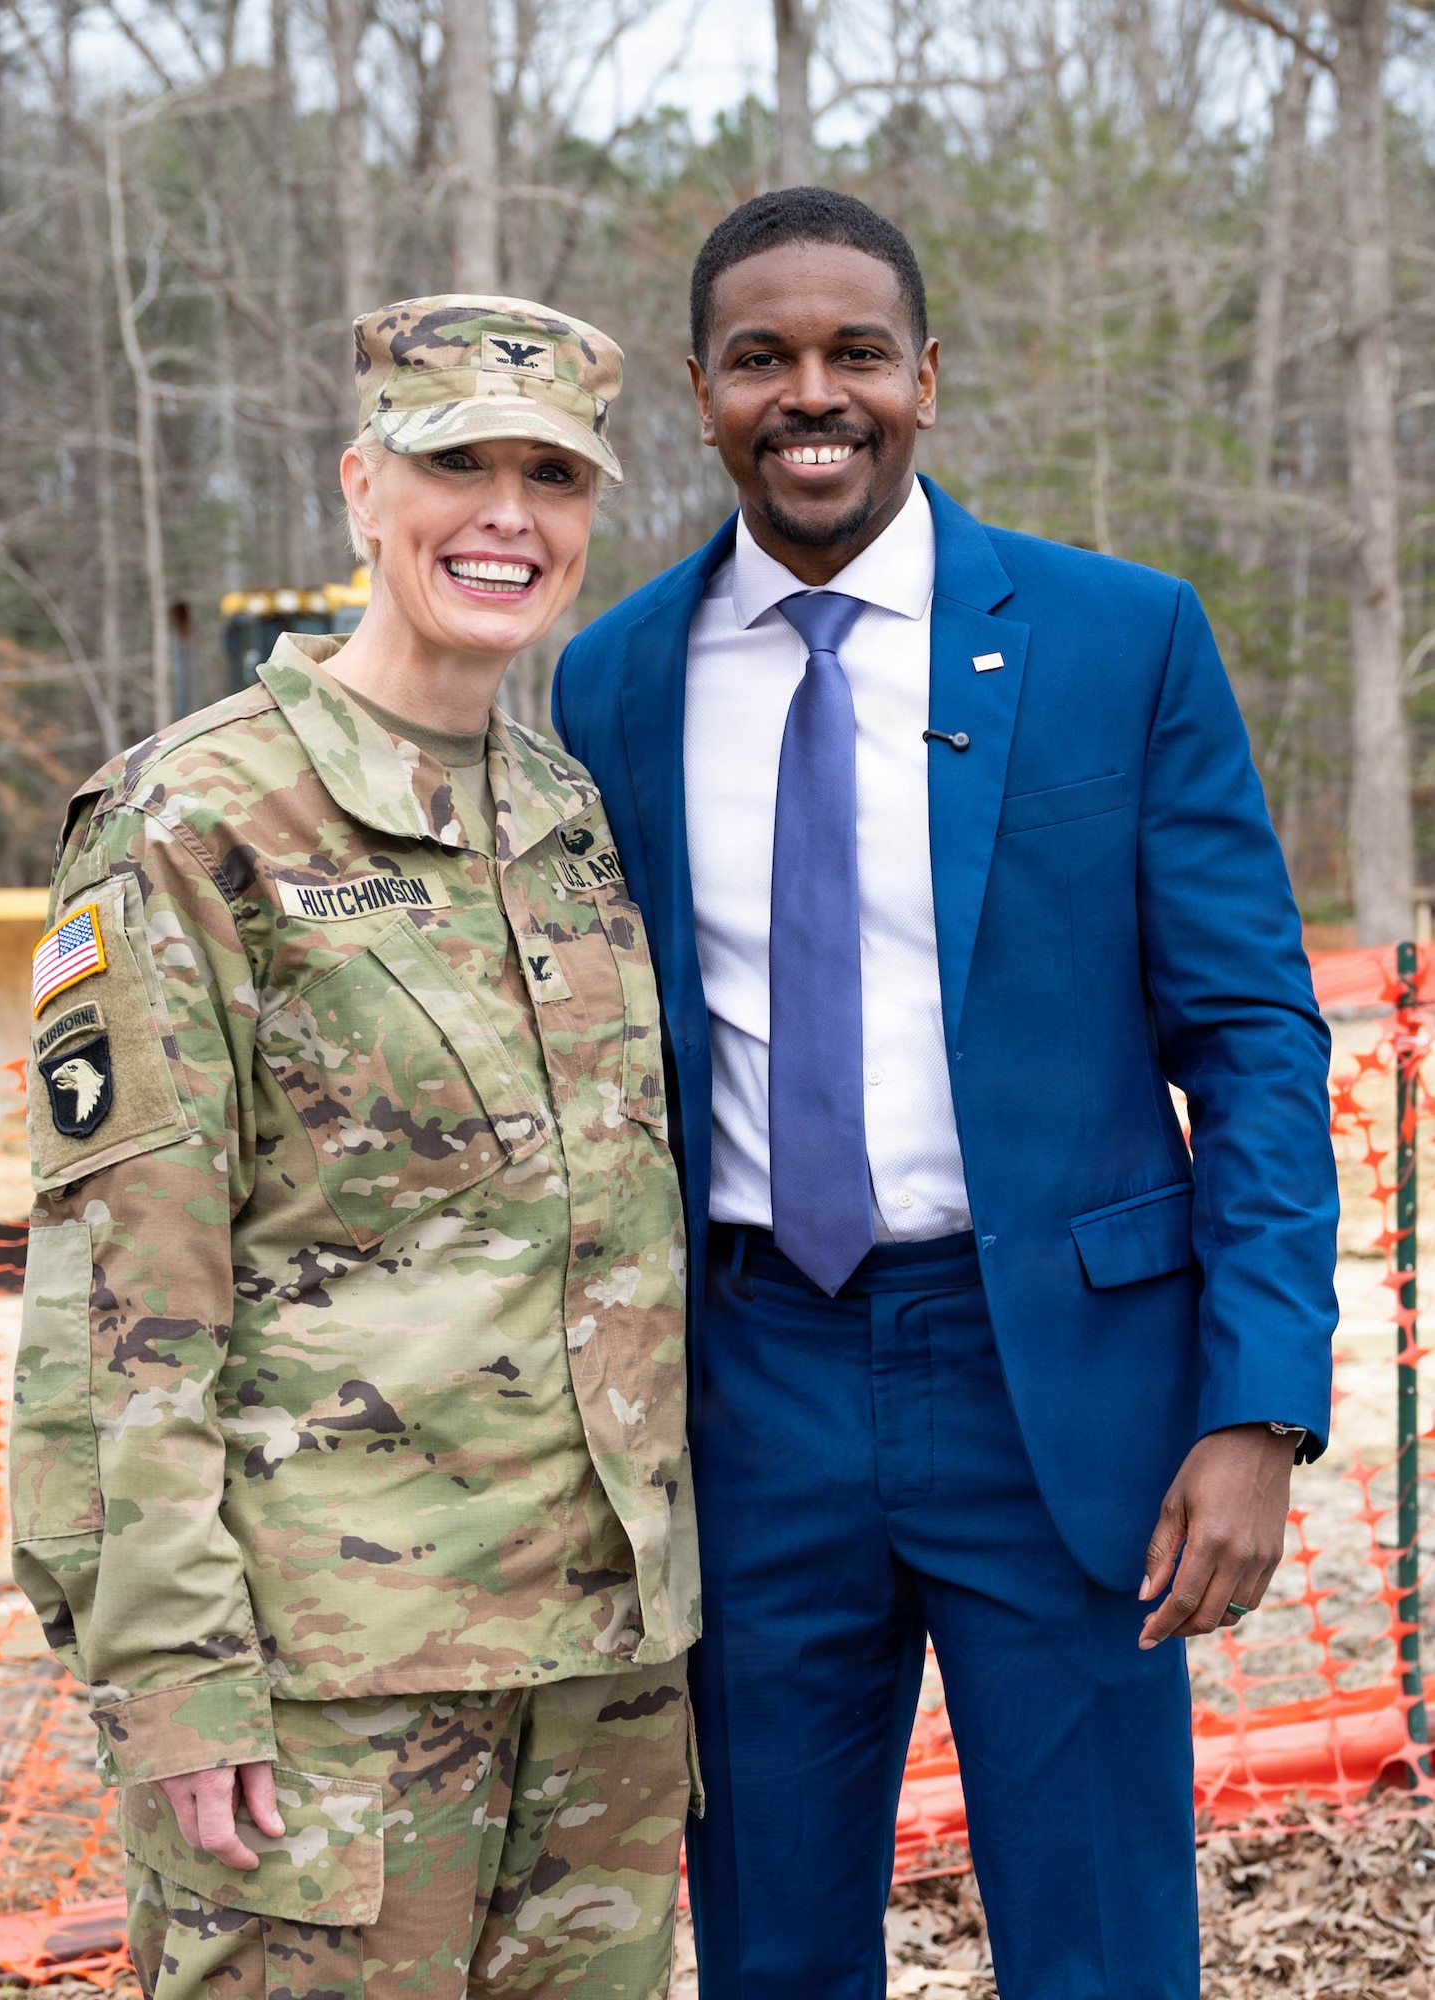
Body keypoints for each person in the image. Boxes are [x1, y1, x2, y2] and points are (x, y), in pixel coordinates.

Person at [551, 189, 1338, 2000]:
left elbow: (1253, 1043)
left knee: (1101, 1951)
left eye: (853, 353)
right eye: (762, 358)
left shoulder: (1117, 638)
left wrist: (1259, 1406)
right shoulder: (614, 683)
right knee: (770, 1945)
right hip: (751, 1388)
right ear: (699, 392)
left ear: (927, 377)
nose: (809, 393)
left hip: (1057, 1393)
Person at [10, 295, 701, 2000]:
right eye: (455, 461)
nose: (507, 515)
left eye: (553, 474)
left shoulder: (568, 823)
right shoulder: (192, 820)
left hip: (599, 1675)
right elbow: (120, 1305)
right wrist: (171, 1678)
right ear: (357, 489)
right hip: (326, 1690)